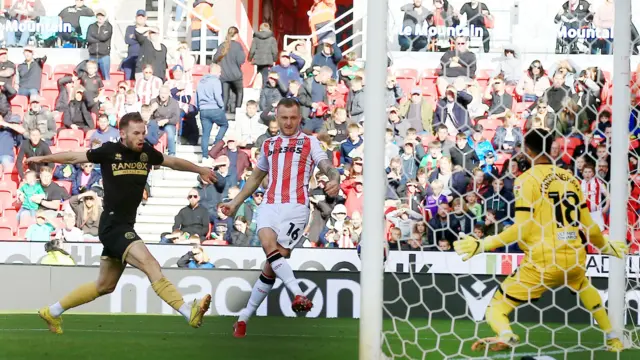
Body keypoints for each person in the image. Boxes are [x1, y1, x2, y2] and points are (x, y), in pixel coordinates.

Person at [30, 112, 217, 334]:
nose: (141, 137)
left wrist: (200, 169)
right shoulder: (110, 151)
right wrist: (45, 159)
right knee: (151, 265)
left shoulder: (146, 153)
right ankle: (189, 312)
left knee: (104, 285)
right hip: (113, 225)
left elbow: (173, 162)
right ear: (123, 133)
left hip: (124, 225)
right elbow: (74, 157)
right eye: (136, 133)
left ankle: (52, 312)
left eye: (143, 132)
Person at [453, 128, 625, 353]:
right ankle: (614, 338)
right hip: (574, 255)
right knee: (583, 285)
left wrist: (482, 244)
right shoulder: (571, 178)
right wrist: (606, 246)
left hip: (543, 260)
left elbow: (521, 230)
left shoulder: (526, 180)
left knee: (497, 307)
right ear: (551, 148)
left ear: (527, 151)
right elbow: (590, 226)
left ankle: (506, 334)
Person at [222, 98, 340, 338]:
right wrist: (235, 203)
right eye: (283, 117)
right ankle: (298, 293)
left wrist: (335, 178)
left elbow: (327, 166)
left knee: (272, 263)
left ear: (300, 118)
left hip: (297, 208)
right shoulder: (268, 144)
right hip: (270, 204)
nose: (288, 122)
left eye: (293, 118)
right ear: (276, 117)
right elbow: (255, 178)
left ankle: (243, 317)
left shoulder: (310, 142)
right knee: (269, 247)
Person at [197, 63, 227, 163]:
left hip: (203, 110)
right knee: (224, 125)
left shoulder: (201, 81)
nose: (220, 74)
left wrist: (199, 107)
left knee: (205, 134)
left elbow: (196, 96)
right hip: (214, 108)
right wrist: (222, 105)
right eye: (219, 72)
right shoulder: (215, 81)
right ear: (216, 71)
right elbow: (217, 96)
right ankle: (216, 142)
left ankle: (204, 156)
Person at [214, 26, 246, 113]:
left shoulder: (222, 45)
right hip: (236, 75)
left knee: (225, 96)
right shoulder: (238, 46)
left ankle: (222, 113)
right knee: (239, 92)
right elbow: (241, 60)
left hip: (224, 75)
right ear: (236, 34)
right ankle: (238, 112)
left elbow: (215, 58)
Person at [150, 85, 181, 156]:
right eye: (161, 93)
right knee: (149, 131)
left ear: (169, 93)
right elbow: (148, 117)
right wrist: (152, 110)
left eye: (165, 93)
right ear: (159, 93)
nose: (163, 95)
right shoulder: (153, 101)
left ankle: (171, 154)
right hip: (156, 123)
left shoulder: (174, 103)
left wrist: (166, 121)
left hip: (169, 123)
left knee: (169, 131)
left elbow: (176, 118)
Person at [86, 9, 113, 80]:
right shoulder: (91, 26)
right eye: (98, 15)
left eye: (102, 16)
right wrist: (99, 39)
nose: (100, 17)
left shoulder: (108, 26)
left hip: (104, 56)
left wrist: (94, 35)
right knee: (91, 77)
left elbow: (104, 37)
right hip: (93, 55)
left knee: (106, 77)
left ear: (105, 17)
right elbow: (88, 38)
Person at [121, 10, 148, 80]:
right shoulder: (130, 28)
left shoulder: (148, 29)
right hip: (130, 58)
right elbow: (127, 40)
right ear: (136, 17)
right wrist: (141, 37)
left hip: (142, 59)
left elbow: (146, 42)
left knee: (140, 80)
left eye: (142, 16)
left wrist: (133, 37)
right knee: (127, 80)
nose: (140, 18)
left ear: (146, 18)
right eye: (139, 16)